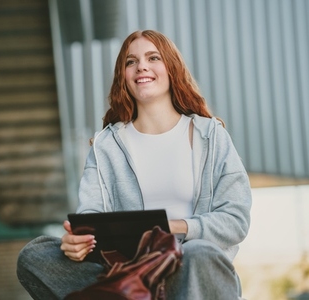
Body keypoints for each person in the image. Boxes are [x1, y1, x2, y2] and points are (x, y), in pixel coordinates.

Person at [17, 29, 252, 300]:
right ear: (124, 77)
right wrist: (78, 244)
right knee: (35, 254)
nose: (141, 66)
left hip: (194, 271)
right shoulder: (106, 145)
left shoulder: (211, 136)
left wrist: (171, 227)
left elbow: (235, 220)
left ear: (171, 69)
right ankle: (138, 292)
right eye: (131, 61)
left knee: (199, 253)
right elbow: (92, 217)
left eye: (153, 58)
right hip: (128, 271)